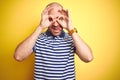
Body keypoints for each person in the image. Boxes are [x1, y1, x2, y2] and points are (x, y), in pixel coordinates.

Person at [14, 2, 93, 80]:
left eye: (60, 18)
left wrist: (70, 28)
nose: (55, 24)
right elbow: (18, 56)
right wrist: (40, 27)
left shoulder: (72, 38)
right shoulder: (36, 38)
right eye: (50, 19)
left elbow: (88, 58)